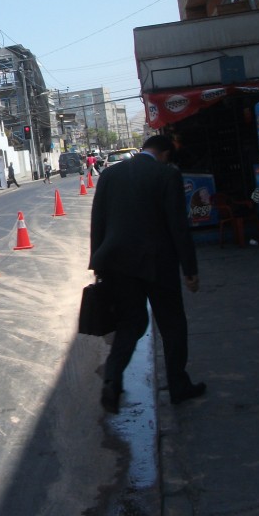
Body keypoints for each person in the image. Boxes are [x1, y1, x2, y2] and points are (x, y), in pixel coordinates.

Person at [90, 134, 203, 413]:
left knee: (130, 323)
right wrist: (189, 269)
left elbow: (98, 222)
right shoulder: (166, 174)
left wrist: (98, 264)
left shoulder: (109, 175)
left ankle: (112, 378)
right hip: (158, 263)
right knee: (172, 323)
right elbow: (178, 225)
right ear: (164, 154)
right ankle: (178, 385)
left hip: (118, 263)